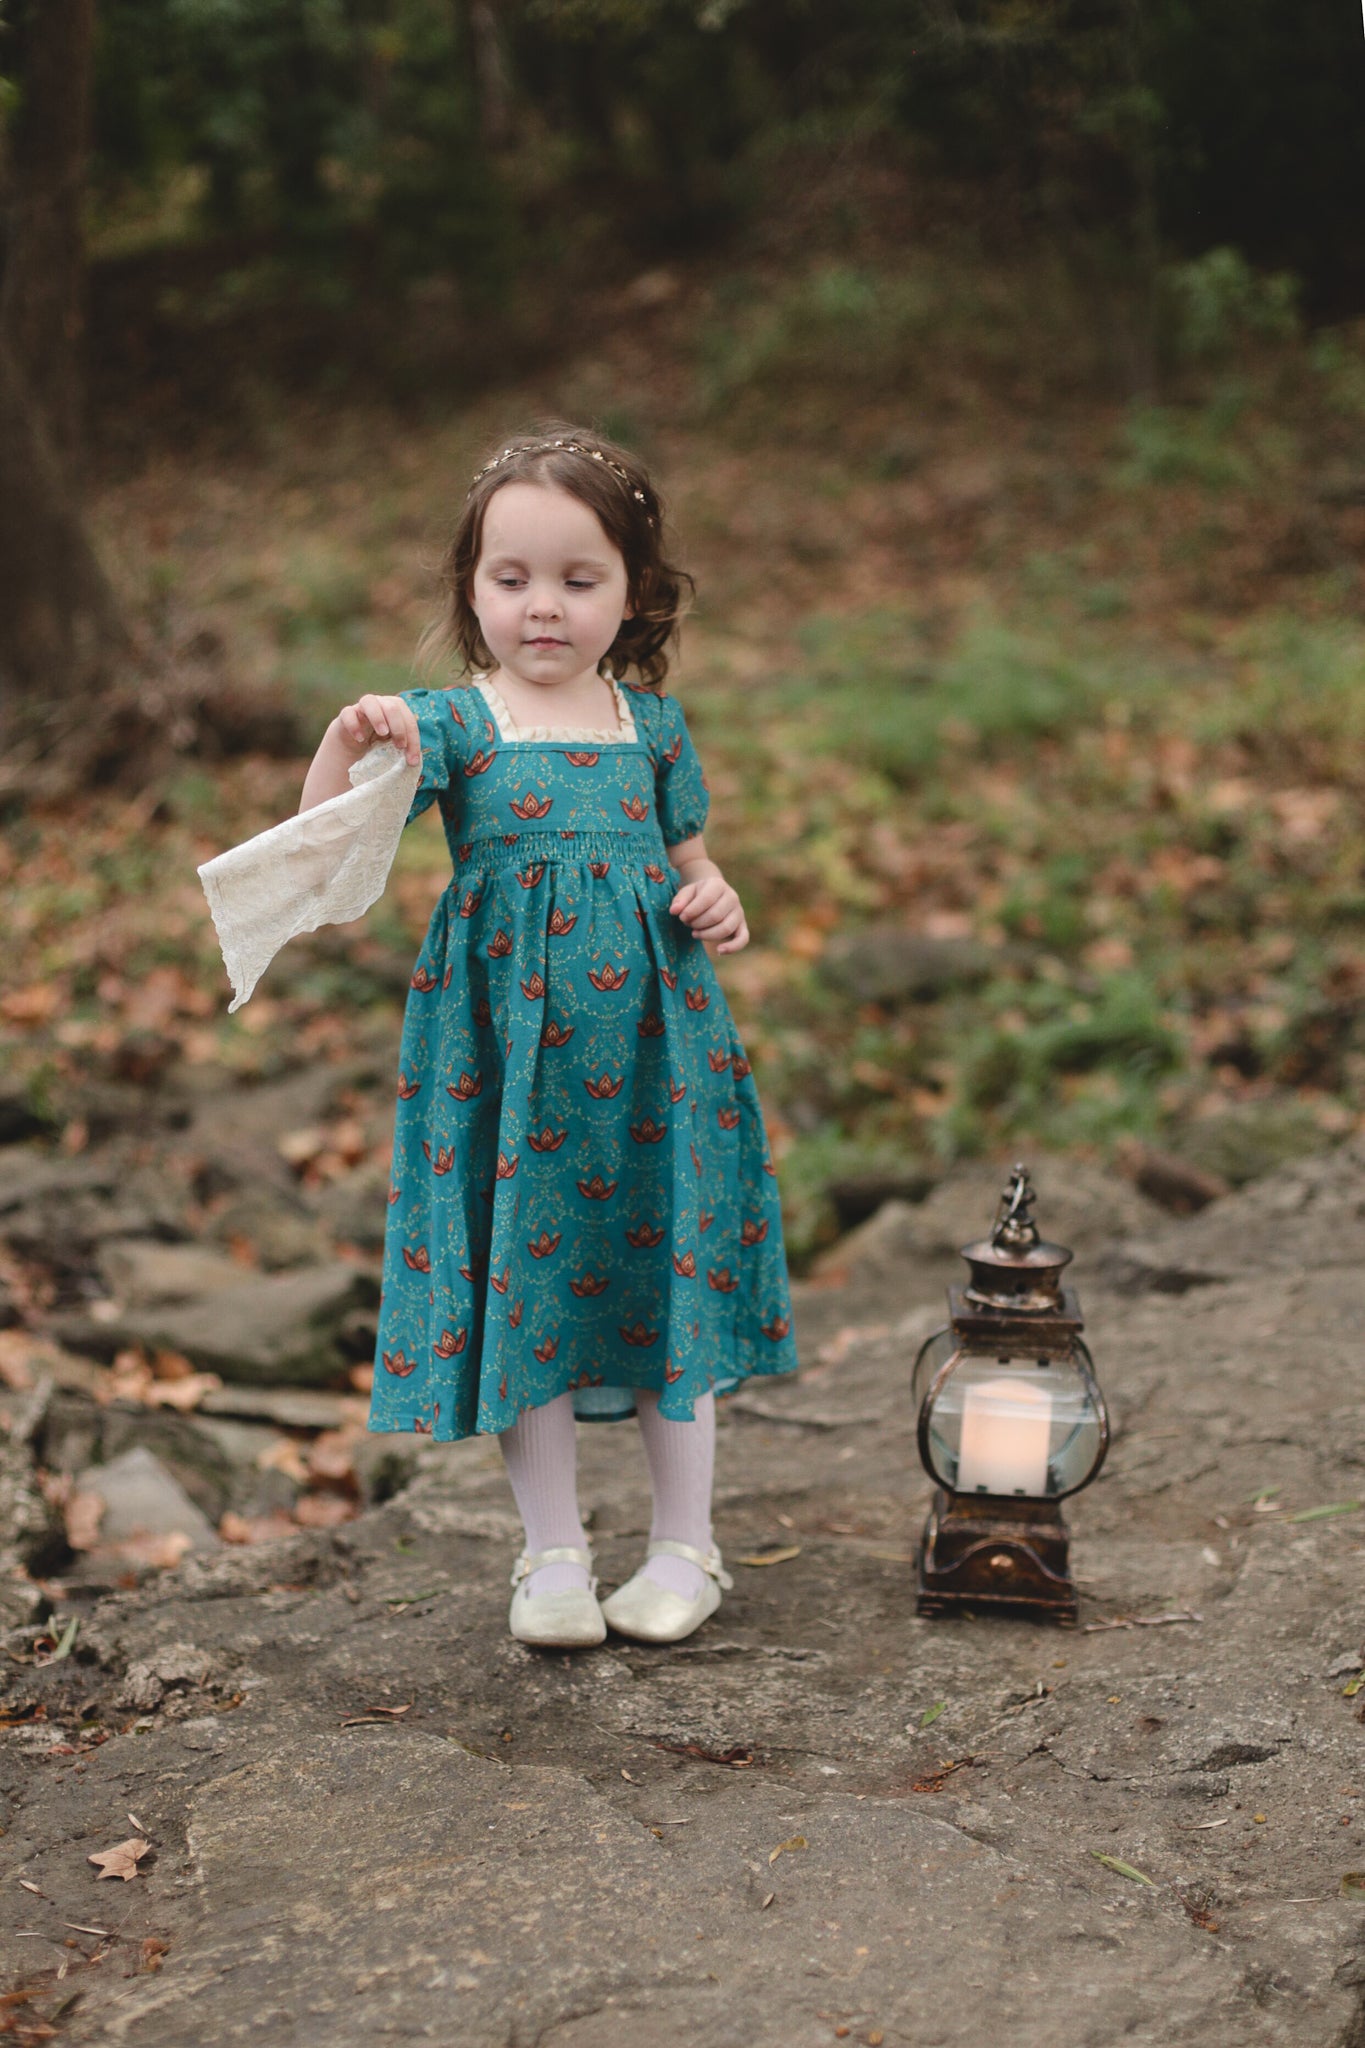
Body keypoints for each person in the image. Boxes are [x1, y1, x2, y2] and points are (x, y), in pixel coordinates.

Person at [297, 425, 798, 1649]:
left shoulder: (652, 729)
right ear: (472, 589)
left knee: (665, 1273)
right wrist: (348, 743)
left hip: (653, 1057)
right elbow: (322, 853)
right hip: (504, 1064)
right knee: (527, 1278)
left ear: (631, 593)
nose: (543, 606)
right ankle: (553, 1555)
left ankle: (688, 1546)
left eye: (580, 579)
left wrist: (717, 898)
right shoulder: (454, 724)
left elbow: (690, 859)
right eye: (511, 577)